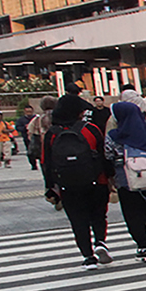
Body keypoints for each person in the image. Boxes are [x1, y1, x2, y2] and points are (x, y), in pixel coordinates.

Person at [41, 93, 113, 269]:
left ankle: (88, 257)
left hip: (67, 185)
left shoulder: (52, 134)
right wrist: (110, 178)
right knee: (98, 215)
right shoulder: (90, 129)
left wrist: (50, 187)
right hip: (97, 181)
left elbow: (46, 162)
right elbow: (104, 155)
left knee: (77, 219)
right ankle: (100, 243)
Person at [105, 101, 146, 261]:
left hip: (127, 181)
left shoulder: (115, 136)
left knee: (133, 213)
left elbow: (108, 156)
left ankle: (143, 247)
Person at [15, 104, 38, 170]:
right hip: (27, 137)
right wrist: (24, 128)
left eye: (30, 112)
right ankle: (33, 164)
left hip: (36, 137)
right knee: (30, 152)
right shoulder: (21, 120)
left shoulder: (36, 118)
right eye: (27, 112)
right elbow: (18, 128)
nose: (29, 113)